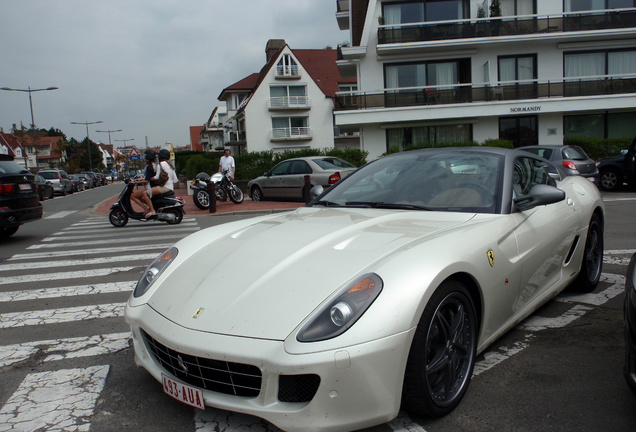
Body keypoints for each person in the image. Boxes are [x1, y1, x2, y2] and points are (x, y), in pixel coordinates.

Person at [142, 149, 177, 217]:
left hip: (164, 187)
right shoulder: (170, 165)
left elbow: (156, 177)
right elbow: (175, 180)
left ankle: (152, 210)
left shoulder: (160, 164)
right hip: (170, 187)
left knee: (144, 193)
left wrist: (150, 178)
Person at [131, 149, 157, 214]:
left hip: (151, 187)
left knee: (133, 196)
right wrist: (139, 180)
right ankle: (151, 206)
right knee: (139, 195)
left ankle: (146, 209)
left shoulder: (149, 167)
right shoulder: (156, 165)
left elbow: (146, 180)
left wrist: (135, 182)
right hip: (155, 186)